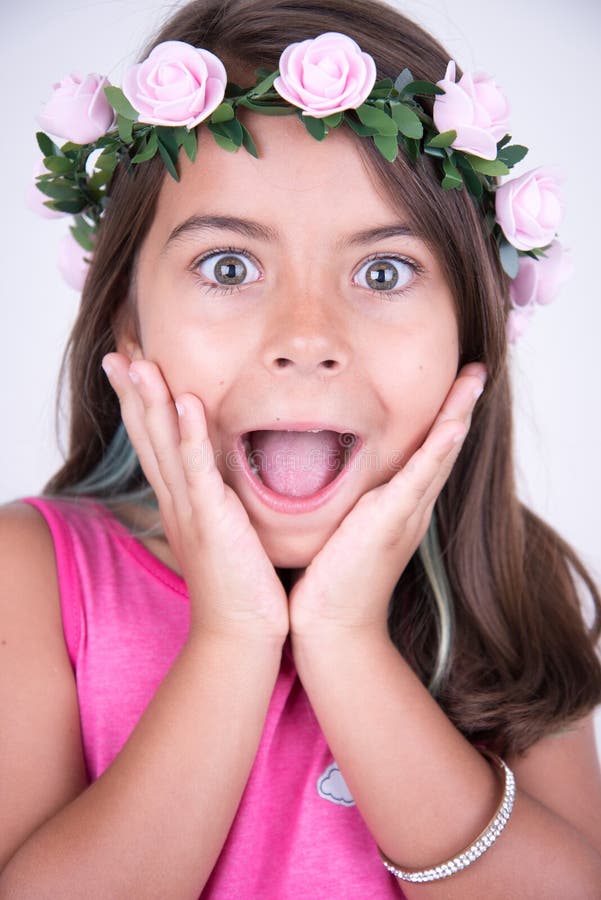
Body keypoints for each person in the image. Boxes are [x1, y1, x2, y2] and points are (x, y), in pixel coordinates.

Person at [1, 0, 600, 895]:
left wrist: (346, 639)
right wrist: (234, 636)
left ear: (470, 329)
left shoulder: (508, 580)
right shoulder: (35, 577)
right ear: (124, 318)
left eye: (383, 271)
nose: (307, 334)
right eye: (229, 266)